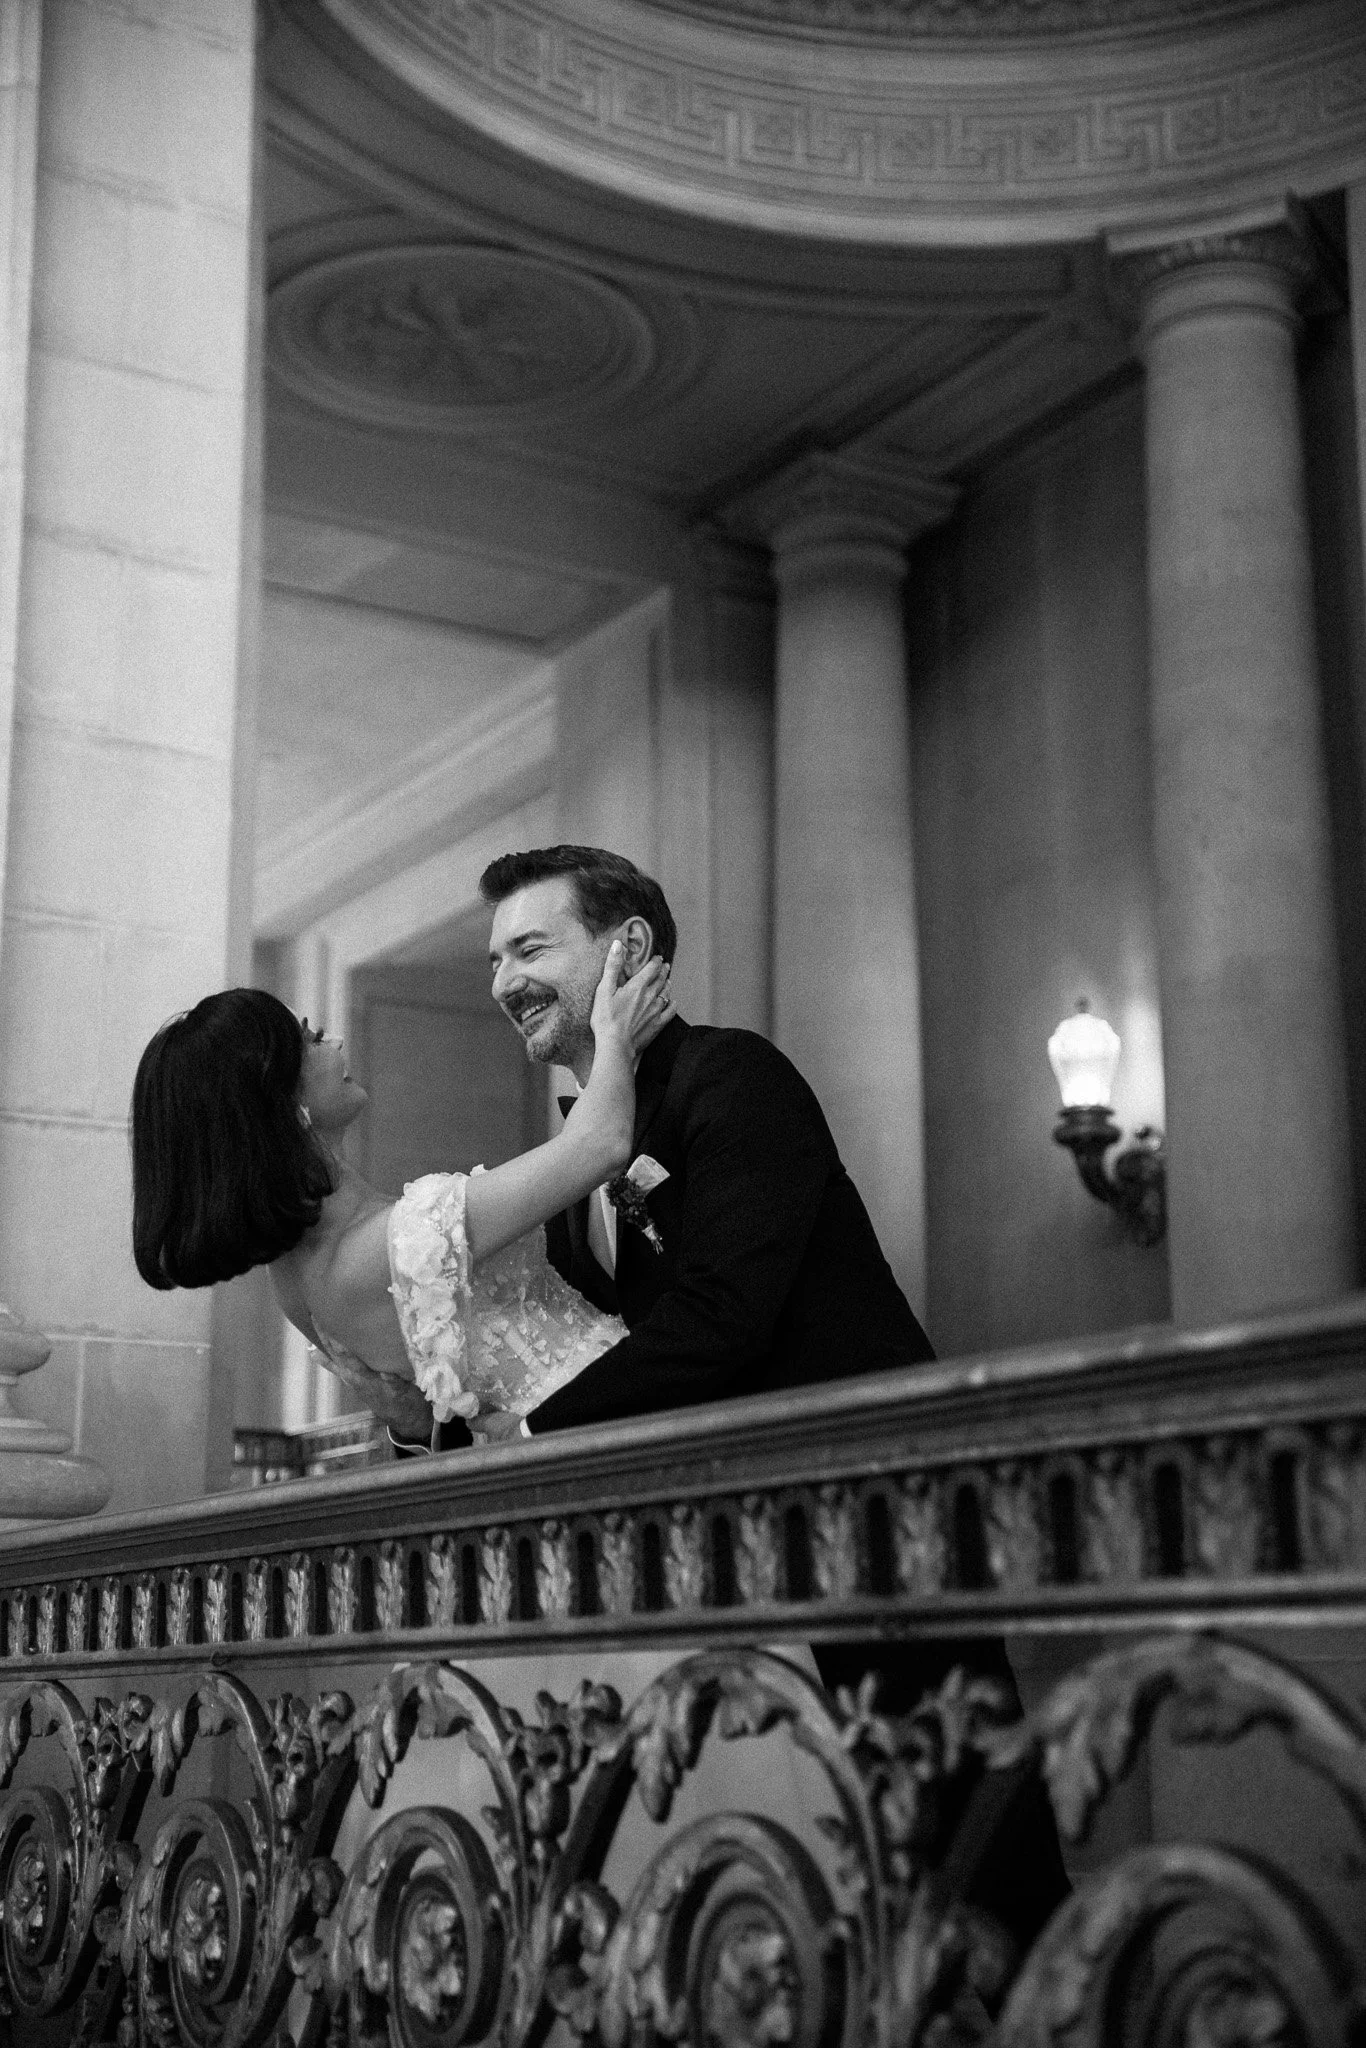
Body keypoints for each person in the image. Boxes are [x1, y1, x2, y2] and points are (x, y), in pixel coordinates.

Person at [477, 843, 1071, 1957]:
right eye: (492, 956)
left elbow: (722, 1311)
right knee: (854, 1854)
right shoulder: (580, 1151)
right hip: (756, 1534)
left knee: (970, 1834)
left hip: (877, 1502)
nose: (503, 978)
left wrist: (535, 1439)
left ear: (630, 946)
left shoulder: (733, 1076)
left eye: (529, 946)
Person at [130, 947, 674, 1448]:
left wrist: (412, 1424)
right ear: (285, 1106)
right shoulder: (408, 1235)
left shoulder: (294, 1283)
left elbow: (429, 1413)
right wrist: (612, 1030)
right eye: (313, 1039)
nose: (336, 1042)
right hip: (620, 1435)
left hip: (570, 1440)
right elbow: (601, 1145)